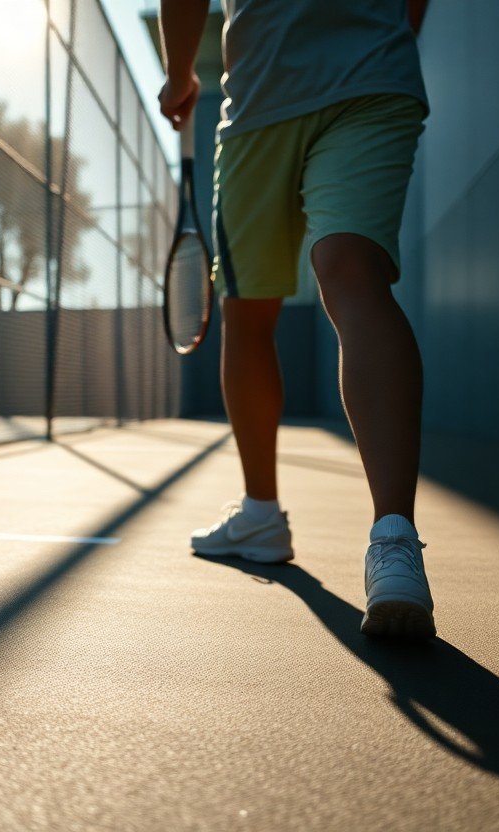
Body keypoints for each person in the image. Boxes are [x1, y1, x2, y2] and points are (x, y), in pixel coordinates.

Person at [157, 0, 436, 639]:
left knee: (338, 276)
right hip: (297, 91)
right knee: (258, 308)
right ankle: (262, 514)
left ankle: (392, 538)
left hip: (331, 90)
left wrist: (179, 78)